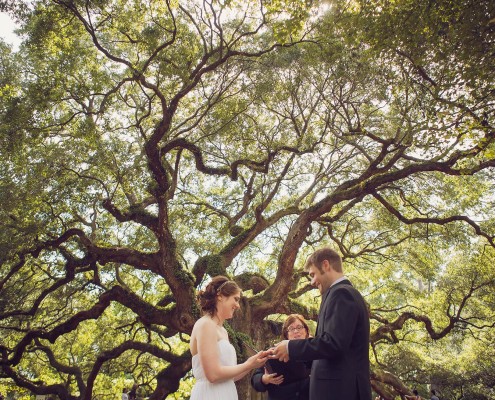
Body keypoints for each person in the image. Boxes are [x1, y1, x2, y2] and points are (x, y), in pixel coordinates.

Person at [270, 247, 372, 400]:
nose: (312, 282)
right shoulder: (338, 294)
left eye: (313, 274)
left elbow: (333, 343)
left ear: (326, 265)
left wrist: (291, 347)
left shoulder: (341, 294)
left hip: (341, 393)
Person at [189, 275, 269, 400]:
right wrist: (247, 364)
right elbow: (213, 375)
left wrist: (253, 363)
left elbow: (230, 375)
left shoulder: (223, 331)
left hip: (227, 392)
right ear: (220, 296)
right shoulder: (206, 324)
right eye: (235, 299)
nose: (238, 305)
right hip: (210, 394)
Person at [251, 314, 312, 400]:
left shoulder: (314, 352)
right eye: (291, 329)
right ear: (286, 334)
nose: (296, 331)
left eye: (299, 327)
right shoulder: (274, 352)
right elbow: (255, 379)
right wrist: (264, 379)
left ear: (306, 331)